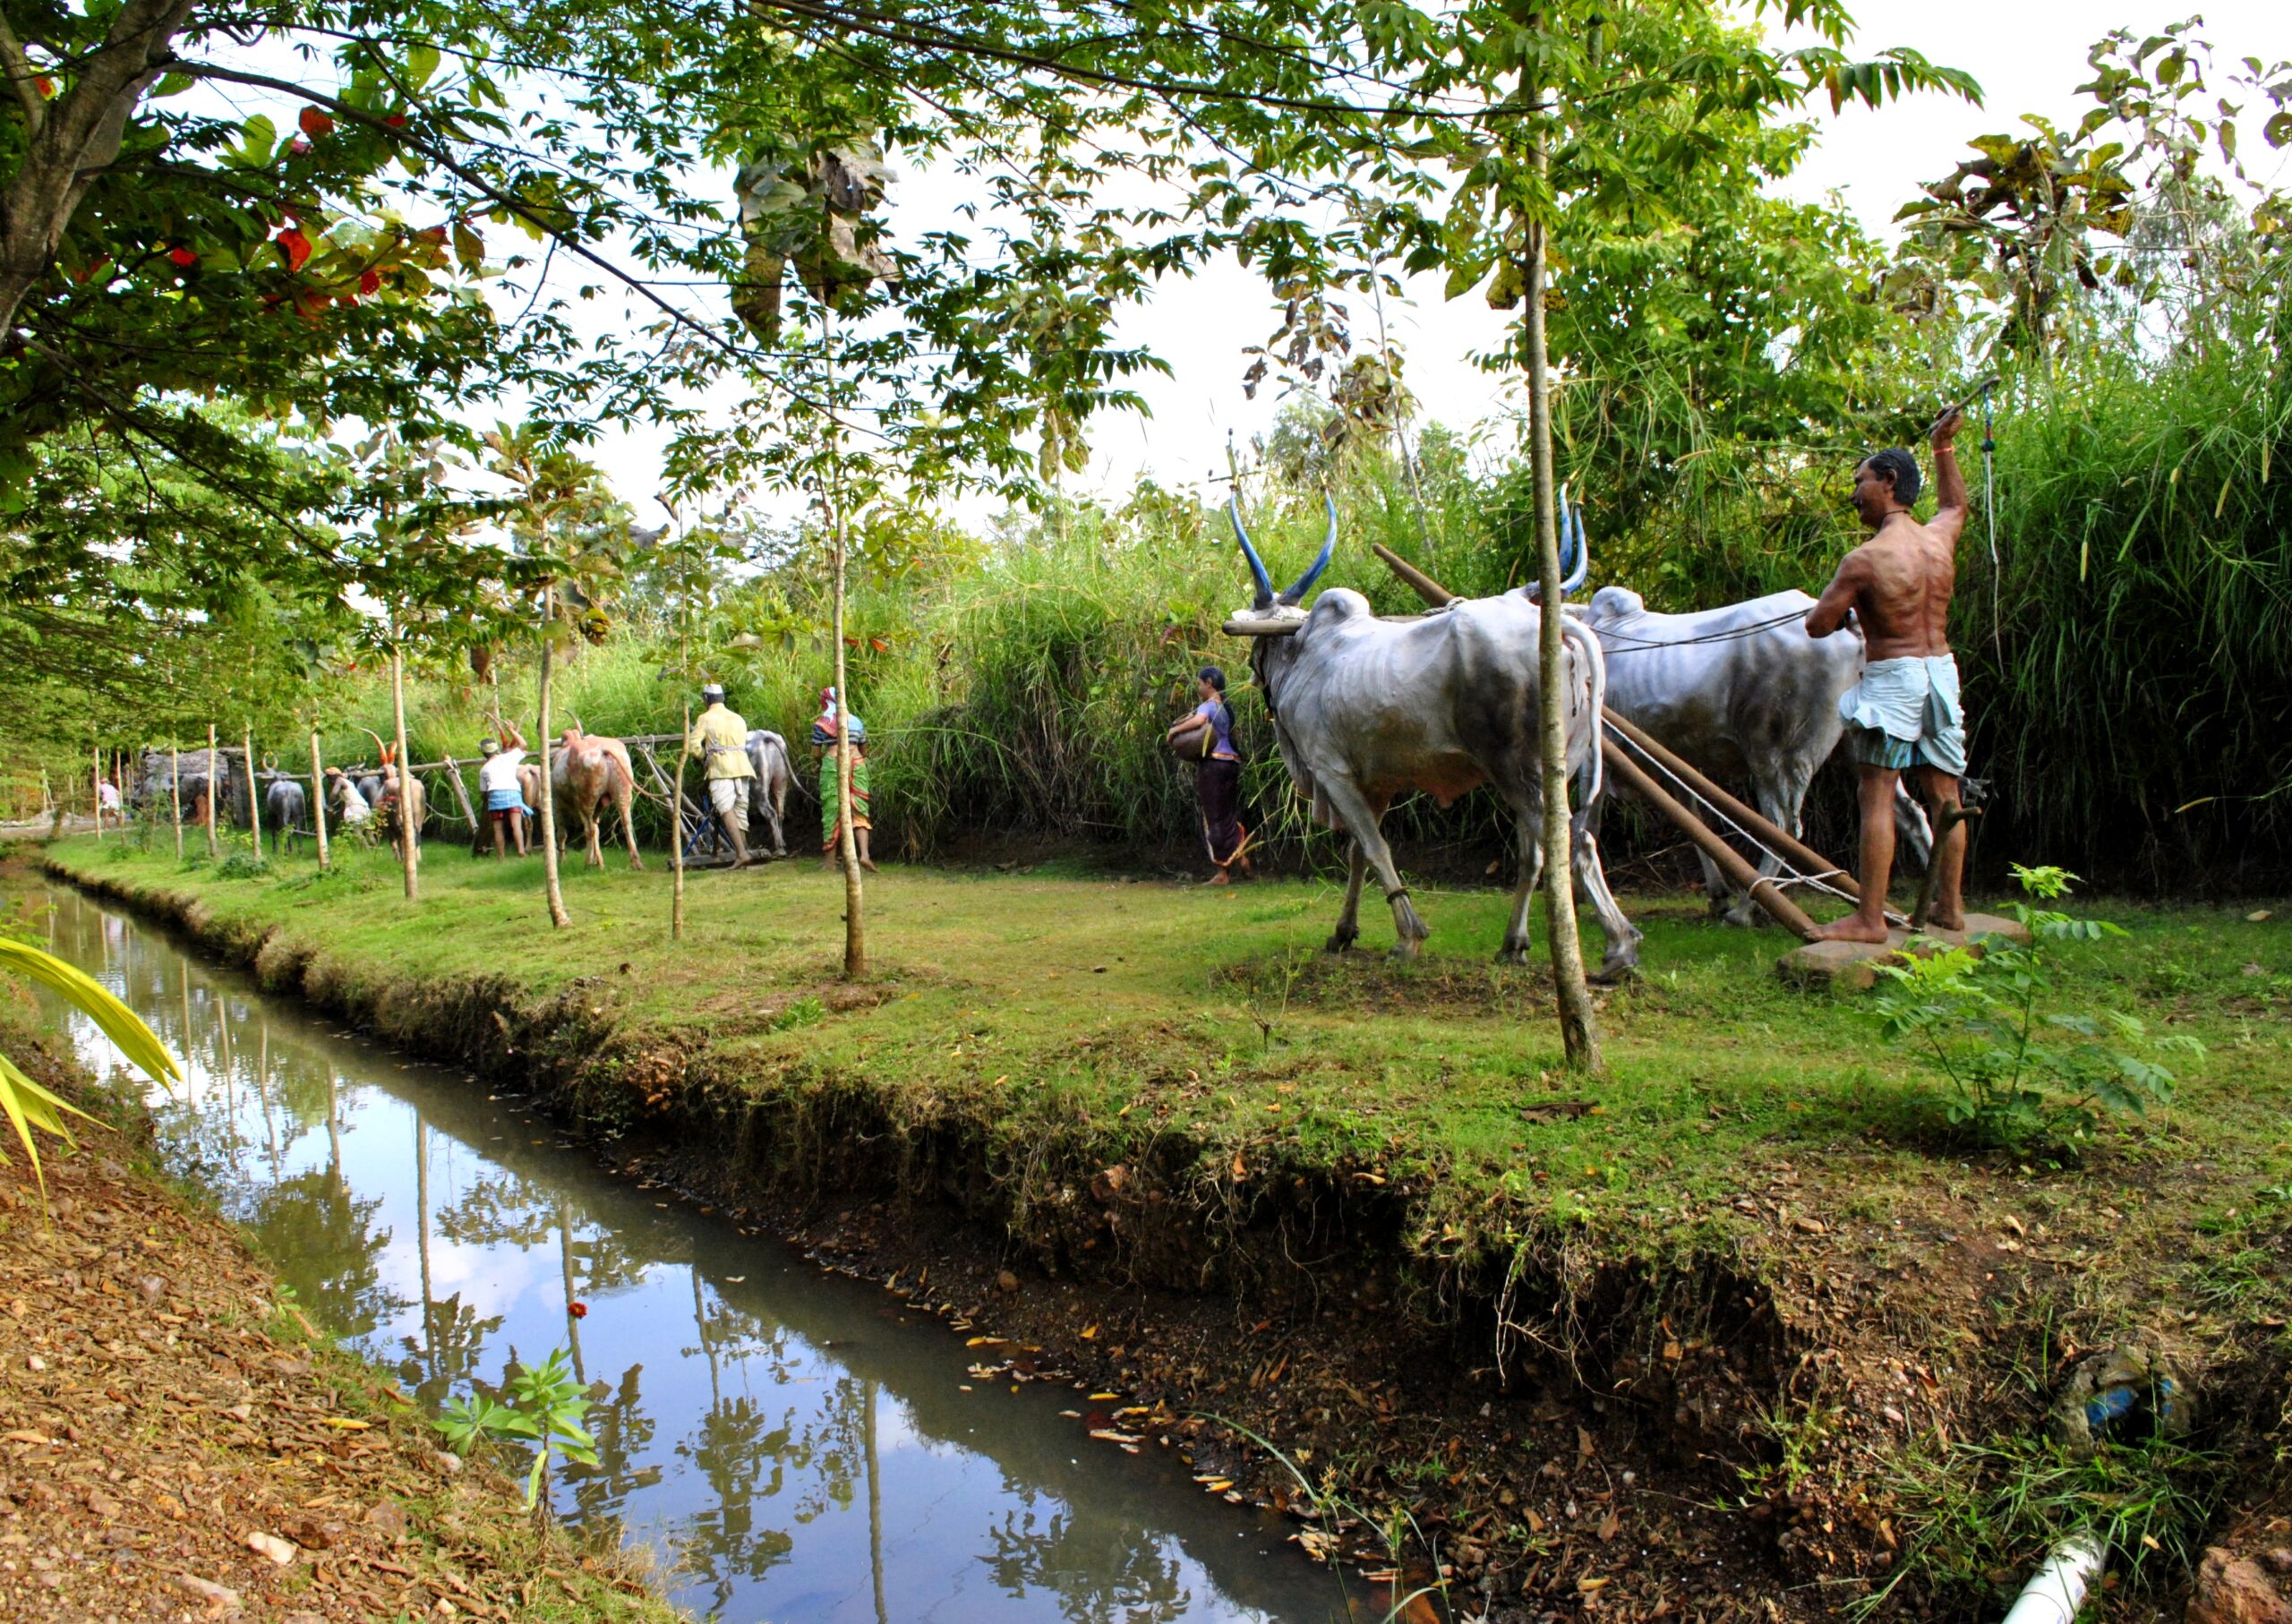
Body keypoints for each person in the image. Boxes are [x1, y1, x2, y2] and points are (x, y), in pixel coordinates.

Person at [1806, 406, 1971, 942]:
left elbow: (1817, 625)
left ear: (1889, 482)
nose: (1855, 494)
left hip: (1894, 677)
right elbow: (1955, 503)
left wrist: (1839, 612)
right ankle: (1951, 907)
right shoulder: (1939, 539)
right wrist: (1944, 446)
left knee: (1877, 795)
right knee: (1946, 795)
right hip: (1941, 673)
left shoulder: (1864, 559)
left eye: (1861, 481)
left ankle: (1870, 919)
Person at [1165, 665, 1252, 884]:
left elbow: (1198, 721)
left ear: (1209, 683)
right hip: (1231, 763)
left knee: (1213, 818)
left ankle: (1222, 872)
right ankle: (1241, 857)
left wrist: (1174, 731)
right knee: (1227, 815)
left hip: (1214, 765)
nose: (1198, 687)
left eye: (1199, 683)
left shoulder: (1209, 706)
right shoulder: (1226, 709)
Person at [685, 682, 757, 868]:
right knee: (740, 810)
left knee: (725, 808)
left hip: (720, 768)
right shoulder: (738, 718)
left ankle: (741, 854)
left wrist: (704, 757)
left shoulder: (705, 718)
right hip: (743, 767)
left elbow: (693, 746)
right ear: (722, 698)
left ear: (706, 699)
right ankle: (744, 852)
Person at [811, 686, 877, 874]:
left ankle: (830, 862)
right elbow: (864, 751)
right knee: (860, 809)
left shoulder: (821, 723)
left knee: (832, 809)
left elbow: (815, 752)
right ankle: (864, 855)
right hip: (857, 764)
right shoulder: (857, 721)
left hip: (833, 764)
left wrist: (817, 763)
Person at [477, 723, 533, 858]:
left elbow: (484, 791)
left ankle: (501, 856)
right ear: (497, 750)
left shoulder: (484, 769)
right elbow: (523, 744)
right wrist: (512, 730)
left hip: (495, 795)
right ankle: (521, 850)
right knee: (516, 825)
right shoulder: (509, 757)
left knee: (498, 828)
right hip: (513, 793)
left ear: (484, 753)